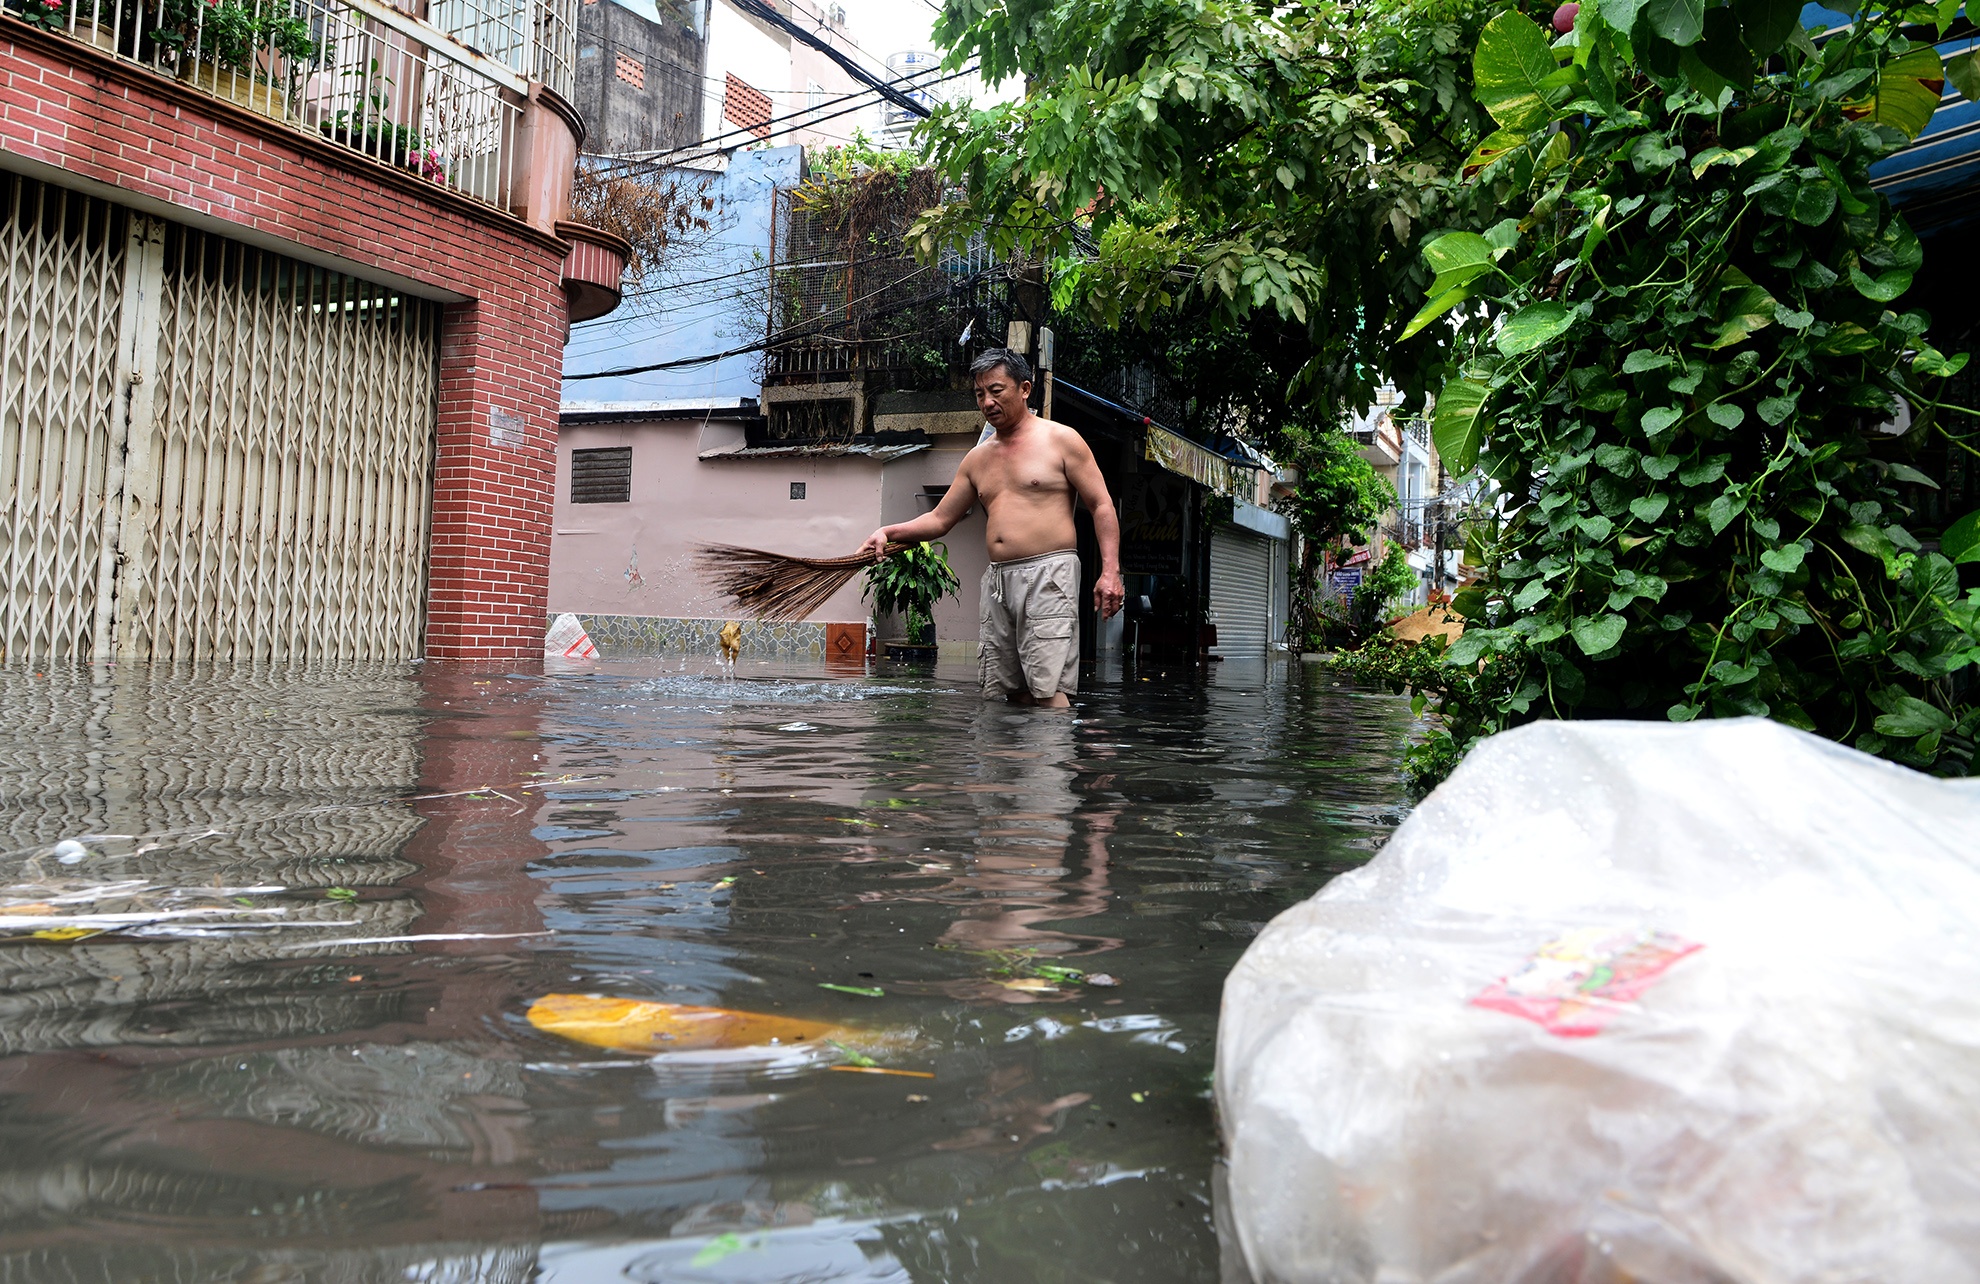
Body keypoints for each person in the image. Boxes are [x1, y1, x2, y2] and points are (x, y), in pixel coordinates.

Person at [858, 348, 1125, 707]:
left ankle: (1049, 762)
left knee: (1048, 692)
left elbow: (1101, 505)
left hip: (1049, 574)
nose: (987, 402)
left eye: (996, 391)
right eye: (980, 394)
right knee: (1008, 691)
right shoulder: (978, 458)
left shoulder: (1061, 440)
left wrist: (1110, 571)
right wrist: (888, 532)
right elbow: (939, 519)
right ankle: (1010, 764)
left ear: (1025, 389)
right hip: (998, 580)